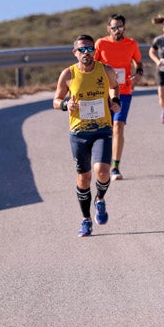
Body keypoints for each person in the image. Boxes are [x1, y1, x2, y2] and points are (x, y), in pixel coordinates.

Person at [54, 34, 122, 238]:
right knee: (83, 178)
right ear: (75, 53)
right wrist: (66, 105)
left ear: (94, 51)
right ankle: (86, 220)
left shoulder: (105, 70)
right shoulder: (68, 74)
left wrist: (115, 100)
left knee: (102, 171)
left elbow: (114, 87)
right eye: (81, 49)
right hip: (79, 133)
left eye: (89, 49)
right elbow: (56, 100)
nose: (86, 53)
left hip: (102, 129)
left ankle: (100, 199)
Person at [94, 14, 144, 180]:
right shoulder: (101, 43)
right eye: (114, 27)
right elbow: (91, 65)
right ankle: (101, 163)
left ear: (124, 27)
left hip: (124, 91)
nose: (117, 30)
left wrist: (138, 74)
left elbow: (139, 64)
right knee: (103, 128)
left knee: (118, 126)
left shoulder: (131, 44)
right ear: (109, 29)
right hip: (103, 92)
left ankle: (115, 166)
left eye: (120, 27)